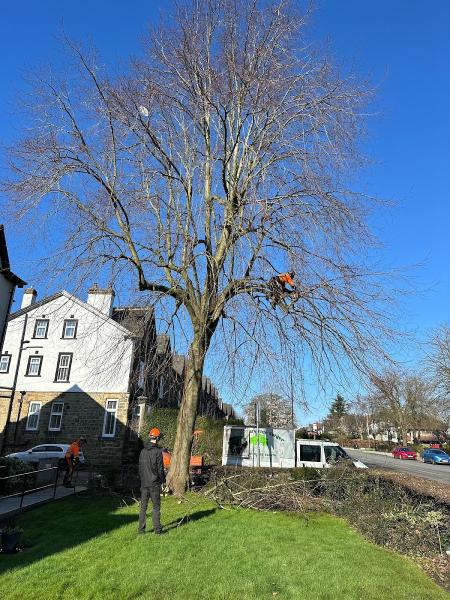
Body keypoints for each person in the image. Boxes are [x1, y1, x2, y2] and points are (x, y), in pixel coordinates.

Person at [138, 427, 166, 535]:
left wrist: (142, 480)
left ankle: (141, 530)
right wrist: (163, 481)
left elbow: (140, 469)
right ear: (157, 438)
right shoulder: (158, 452)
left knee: (143, 508)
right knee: (156, 507)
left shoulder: (142, 451)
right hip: (154, 484)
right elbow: (160, 469)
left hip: (144, 483)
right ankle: (157, 530)